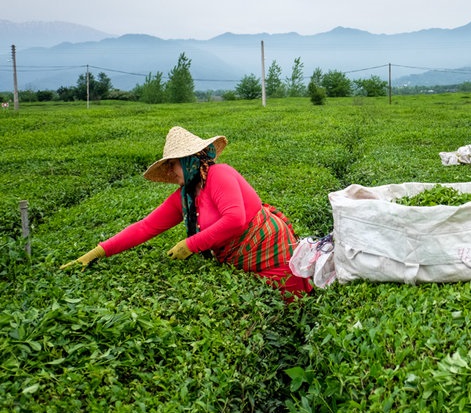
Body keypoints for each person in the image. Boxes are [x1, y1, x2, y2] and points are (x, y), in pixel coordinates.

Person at [61, 126, 313, 300]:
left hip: (273, 259)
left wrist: (190, 244)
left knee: (291, 312)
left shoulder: (220, 174)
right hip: (242, 263)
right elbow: (146, 227)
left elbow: (235, 220)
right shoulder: (187, 196)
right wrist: (97, 252)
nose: (170, 171)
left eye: (173, 164)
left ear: (191, 160)